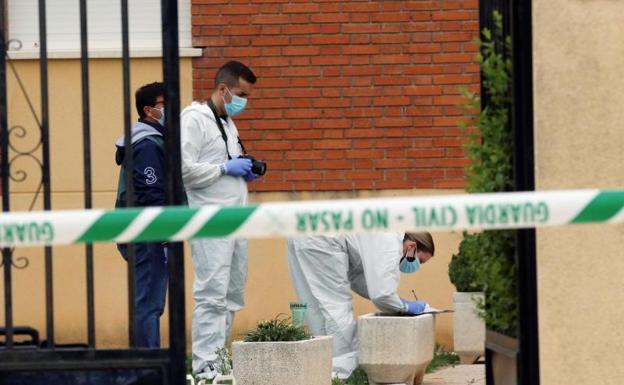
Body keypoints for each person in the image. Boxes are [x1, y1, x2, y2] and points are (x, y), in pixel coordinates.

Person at [180, 61, 259, 380]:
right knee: (211, 292)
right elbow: (184, 170)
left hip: (235, 218)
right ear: (223, 88)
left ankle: (219, 357)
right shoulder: (194, 119)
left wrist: (242, 169)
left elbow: (224, 161)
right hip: (209, 219)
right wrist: (226, 169)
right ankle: (203, 364)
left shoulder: (227, 122)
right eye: (240, 93)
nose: (244, 101)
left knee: (232, 292)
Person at [287, 231, 435, 379]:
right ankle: (342, 376)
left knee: (315, 308)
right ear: (411, 246)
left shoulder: (383, 235)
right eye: (419, 261)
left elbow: (356, 278)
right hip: (322, 240)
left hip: (303, 234)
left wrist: (396, 301)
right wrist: (403, 306)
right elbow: (381, 293)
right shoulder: (390, 244)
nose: (416, 266)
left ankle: (320, 371)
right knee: (335, 307)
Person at [114, 81, 168, 348]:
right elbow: (151, 191)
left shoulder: (151, 139)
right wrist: (165, 229)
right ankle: (149, 366)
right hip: (147, 232)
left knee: (151, 303)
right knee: (148, 303)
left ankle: (149, 363)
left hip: (145, 231)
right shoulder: (146, 143)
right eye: (164, 104)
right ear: (149, 110)